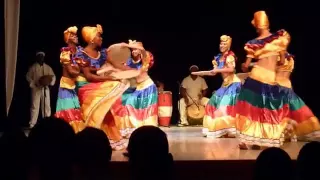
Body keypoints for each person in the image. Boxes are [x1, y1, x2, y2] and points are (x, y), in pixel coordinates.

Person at [75, 24, 140, 150]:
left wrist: (133, 70)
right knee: (111, 90)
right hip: (87, 86)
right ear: (92, 38)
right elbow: (89, 77)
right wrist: (111, 78)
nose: (101, 39)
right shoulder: (81, 54)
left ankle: (107, 139)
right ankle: (91, 141)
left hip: (99, 85)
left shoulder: (103, 53)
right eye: (99, 36)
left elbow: (117, 64)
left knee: (105, 110)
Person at [236, 11, 291, 149]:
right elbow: (282, 60)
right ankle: (262, 138)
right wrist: (274, 62)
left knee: (253, 109)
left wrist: (244, 65)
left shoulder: (253, 43)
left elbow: (245, 66)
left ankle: (252, 139)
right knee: (268, 109)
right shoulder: (279, 39)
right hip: (268, 76)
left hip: (256, 75)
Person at [192, 35, 241, 138]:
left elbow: (231, 69)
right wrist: (201, 73)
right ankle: (218, 128)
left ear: (228, 46)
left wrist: (217, 70)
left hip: (233, 84)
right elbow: (213, 72)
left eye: (224, 44)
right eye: (221, 43)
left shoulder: (230, 56)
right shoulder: (218, 58)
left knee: (224, 106)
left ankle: (229, 129)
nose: (221, 45)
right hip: (225, 85)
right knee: (211, 103)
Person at [112, 40, 158, 138]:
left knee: (146, 110)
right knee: (130, 104)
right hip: (138, 88)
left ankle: (149, 130)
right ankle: (135, 129)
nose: (133, 51)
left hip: (148, 87)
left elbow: (143, 49)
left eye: (135, 49)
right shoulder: (129, 61)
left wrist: (129, 45)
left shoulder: (145, 58)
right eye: (132, 50)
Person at [276, 53, 320, 141]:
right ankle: (289, 132)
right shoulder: (290, 58)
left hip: (277, 86)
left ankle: (280, 133)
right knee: (295, 111)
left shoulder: (276, 57)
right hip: (287, 86)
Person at [54, 26, 84, 133]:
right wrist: (81, 68)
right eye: (73, 35)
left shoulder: (79, 51)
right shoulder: (65, 53)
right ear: (68, 38)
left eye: (76, 35)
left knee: (76, 113)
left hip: (75, 86)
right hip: (66, 87)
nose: (76, 37)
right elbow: (72, 72)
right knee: (68, 113)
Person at [26, 51, 56, 128]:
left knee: (46, 105)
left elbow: (53, 76)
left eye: (42, 56)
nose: (41, 58)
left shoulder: (47, 67)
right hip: (36, 88)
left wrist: (50, 83)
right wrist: (33, 83)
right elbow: (28, 77)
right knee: (34, 105)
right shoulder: (33, 67)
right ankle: (32, 123)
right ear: (37, 57)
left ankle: (47, 122)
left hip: (45, 89)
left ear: (43, 58)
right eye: (39, 56)